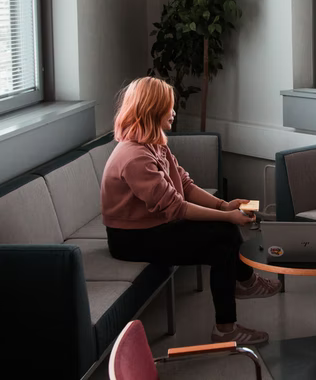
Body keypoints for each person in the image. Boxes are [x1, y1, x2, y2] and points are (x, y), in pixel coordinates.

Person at [101, 77, 280, 345]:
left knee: (222, 242)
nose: (174, 112)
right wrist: (227, 216)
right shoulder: (134, 156)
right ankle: (241, 290)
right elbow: (176, 208)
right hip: (130, 239)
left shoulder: (154, 144)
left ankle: (230, 316)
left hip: (151, 227)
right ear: (152, 110)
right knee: (223, 233)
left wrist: (223, 205)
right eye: (168, 107)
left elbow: (184, 184)